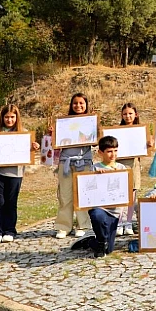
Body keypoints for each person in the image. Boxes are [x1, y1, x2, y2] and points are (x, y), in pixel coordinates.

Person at [0, 105, 40, 244]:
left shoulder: (24, 133)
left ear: (17, 117)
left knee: (11, 203)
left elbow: (28, 152)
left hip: (15, 174)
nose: (9, 120)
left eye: (12, 117)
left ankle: (9, 230)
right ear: (2, 118)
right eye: (6, 117)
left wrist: (34, 147)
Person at [71, 136, 127, 257]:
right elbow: (89, 189)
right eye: (109, 151)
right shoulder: (95, 168)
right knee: (97, 215)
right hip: (100, 208)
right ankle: (100, 242)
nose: (113, 154)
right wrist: (96, 176)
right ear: (100, 152)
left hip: (115, 211)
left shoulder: (122, 168)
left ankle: (90, 241)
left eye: (115, 151)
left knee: (109, 249)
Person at [54, 93, 93, 239]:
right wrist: (53, 133)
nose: (78, 106)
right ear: (71, 105)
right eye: (75, 103)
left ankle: (83, 225)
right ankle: (64, 226)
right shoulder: (63, 123)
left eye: (81, 103)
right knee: (65, 195)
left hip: (84, 162)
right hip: (66, 162)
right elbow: (54, 143)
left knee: (83, 195)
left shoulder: (91, 122)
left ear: (86, 105)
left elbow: (97, 139)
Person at [117, 103, 145, 236]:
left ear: (136, 115)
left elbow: (146, 148)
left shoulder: (141, 130)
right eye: (125, 114)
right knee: (120, 195)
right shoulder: (117, 131)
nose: (127, 116)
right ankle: (119, 222)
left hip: (134, 164)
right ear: (121, 115)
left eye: (130, 113)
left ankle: (128, 222)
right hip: (120, 164)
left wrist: (148, 144)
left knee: (132, 194)